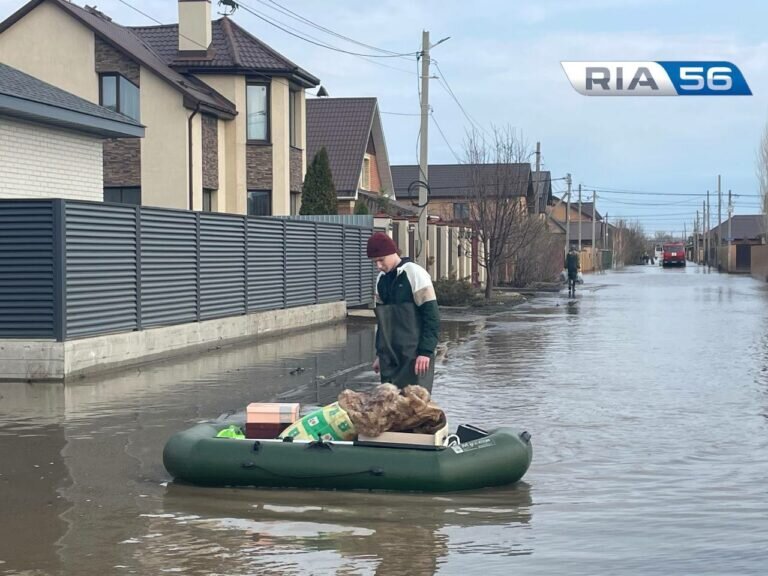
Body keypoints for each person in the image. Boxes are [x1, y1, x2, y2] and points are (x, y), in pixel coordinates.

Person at [367, 232, 440, 391]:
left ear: (393, 253)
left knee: (415, 407)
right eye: (375, 262)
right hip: (389, 357)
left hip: (414, 356)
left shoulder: (414, 274)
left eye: (381, 260)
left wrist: (425, 352)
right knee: (388, 407)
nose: (378, 266)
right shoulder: (381, 280)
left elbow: (432, 317)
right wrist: (380, 354)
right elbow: (382, 323)